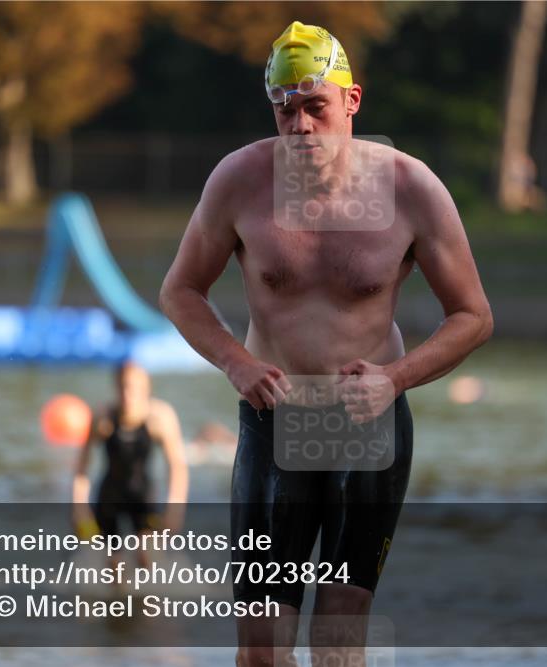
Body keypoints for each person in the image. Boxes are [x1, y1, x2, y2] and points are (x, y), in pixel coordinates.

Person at [160, 21, 493, 665]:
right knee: (260, 647)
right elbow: (180, 291)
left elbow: (473, 316)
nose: (301, 127)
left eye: (316, 107)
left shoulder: (411, 188)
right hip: (274, 419)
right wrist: (236, 362)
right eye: (285, 111)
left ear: (352, 101)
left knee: (338, 635)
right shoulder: (239, 181)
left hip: (366, 425)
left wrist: (395, 379)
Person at [72, 360, 189, 570]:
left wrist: (175, 508)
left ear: (146, 389)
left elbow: (177, 466)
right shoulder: (104, 417)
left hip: (143, 496)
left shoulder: (160, 417)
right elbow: (82, 466)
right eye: (123, 387)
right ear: (116, 387)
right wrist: (79, 507)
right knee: (112, 566)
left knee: (149, 557)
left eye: (134, 389)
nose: (128, 395)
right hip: (109, 497)